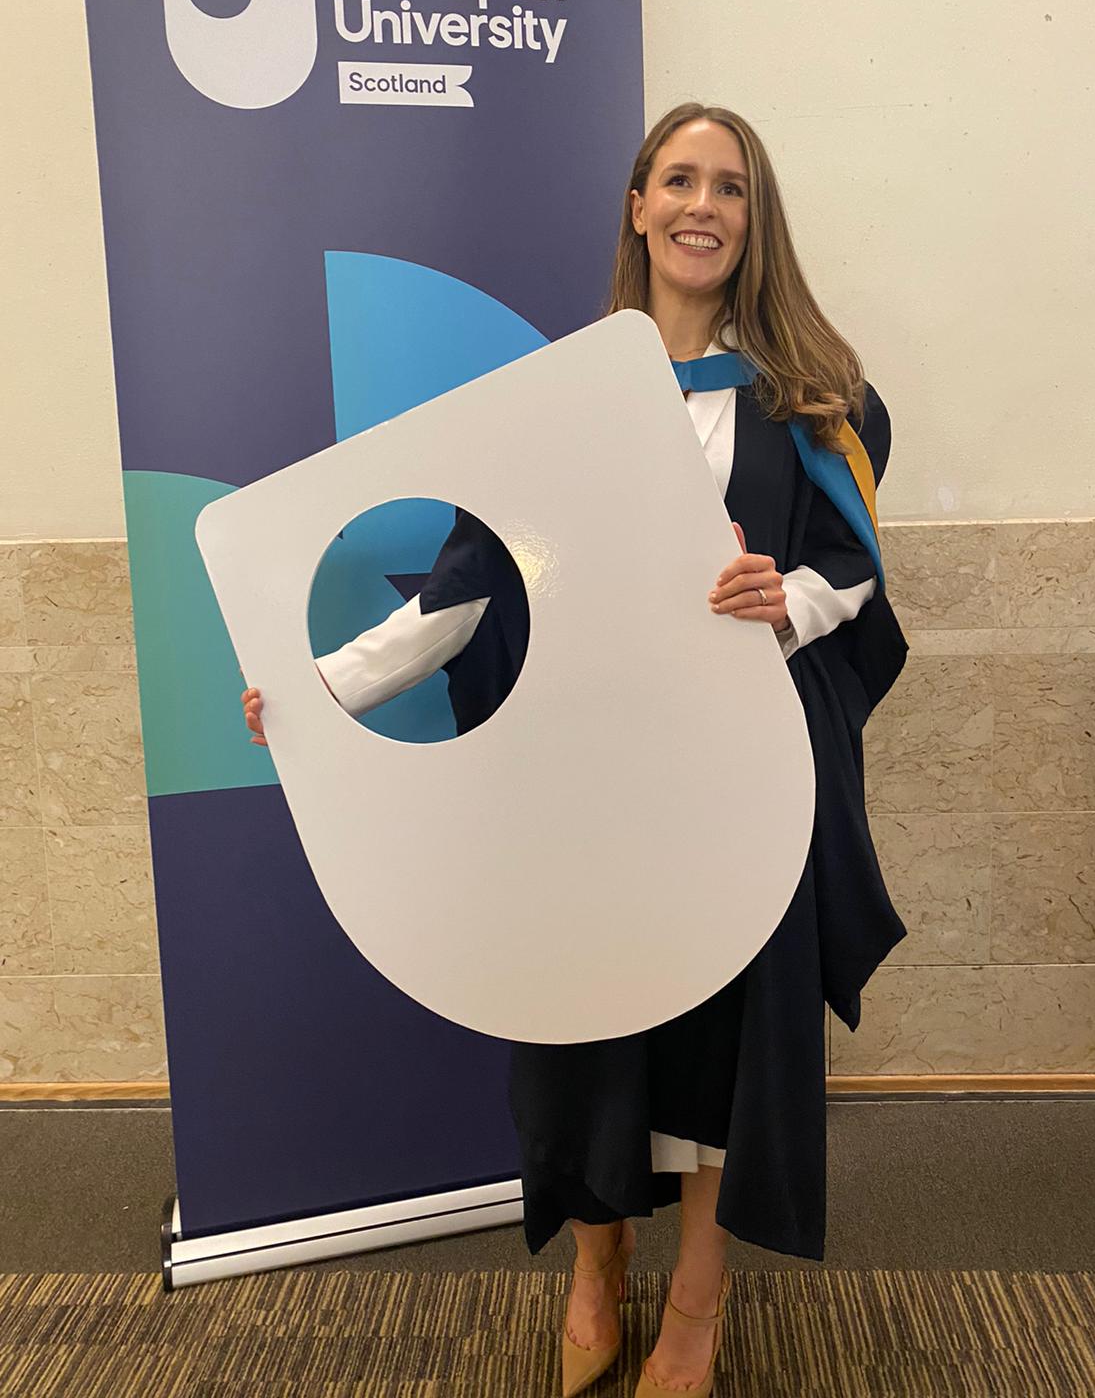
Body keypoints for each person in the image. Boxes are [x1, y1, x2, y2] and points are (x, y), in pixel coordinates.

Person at [242, 102, 909, 1398]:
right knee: (586, 1022)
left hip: (745, 782)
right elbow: (463, 591)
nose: (702, 205)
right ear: (638, 207)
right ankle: (596, 1269)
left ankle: (699, 1309)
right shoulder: (562, 397)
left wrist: (796, 603)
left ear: (752, 216)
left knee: (730, 1042)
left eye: (728, 185)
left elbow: (855, 574)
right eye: (679, 180)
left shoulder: (816, 397)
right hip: (595, 784)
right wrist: (323, 692)